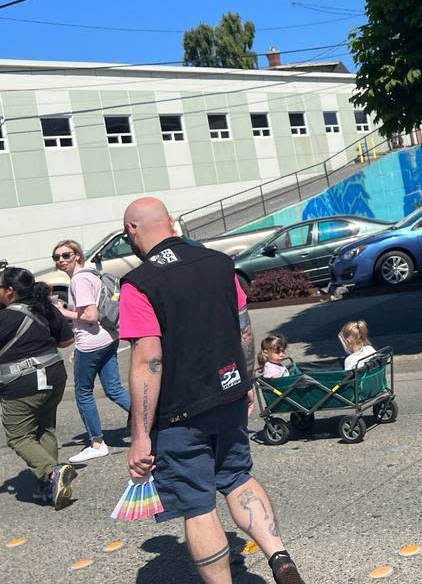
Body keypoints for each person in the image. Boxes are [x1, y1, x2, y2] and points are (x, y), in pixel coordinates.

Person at [118, 197, 306, 584]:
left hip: (179, 412)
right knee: (237, 476)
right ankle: (280, 558)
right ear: (171, 222)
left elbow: (147, 361)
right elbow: (243, 329)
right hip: (230, 394)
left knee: (197, 504)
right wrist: (247, 382)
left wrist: (139, 436)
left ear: (131, 231)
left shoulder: (140, 284)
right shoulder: (221, 264)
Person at [0, 267, 76, 509]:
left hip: (22, 383)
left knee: (20, 436)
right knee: (44, 429)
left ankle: (52, 472)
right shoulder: (44, 307)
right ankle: (49, 488)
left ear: (10, 291)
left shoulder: (5, 318)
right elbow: (66, 339)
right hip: (54, 374)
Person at [50, 239, 131, 464]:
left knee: (83, 393)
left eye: (66, 255)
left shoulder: (79, 280)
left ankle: (97, 443)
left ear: (77, 255)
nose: (61, 260)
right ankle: (152, 423)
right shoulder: (91, 274)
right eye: (56, 257)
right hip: (108, 338)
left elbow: (90, 316)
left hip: (92, 344)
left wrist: (63, 312)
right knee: (113, 389)